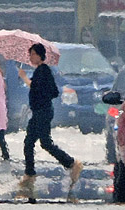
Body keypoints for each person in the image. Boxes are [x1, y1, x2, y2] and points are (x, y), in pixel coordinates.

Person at [17, 43, 83, 192]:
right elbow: (49, 90)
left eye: (32, 54)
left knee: (45, 142)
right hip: (39, 112)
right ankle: (29, 174)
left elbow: (44, 90)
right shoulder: (41, 71)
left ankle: (72, 164)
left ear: (39, 55)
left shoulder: (44, 70)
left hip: (43, 112)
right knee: (29, 142)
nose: (30, 57)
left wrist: (24, 78)